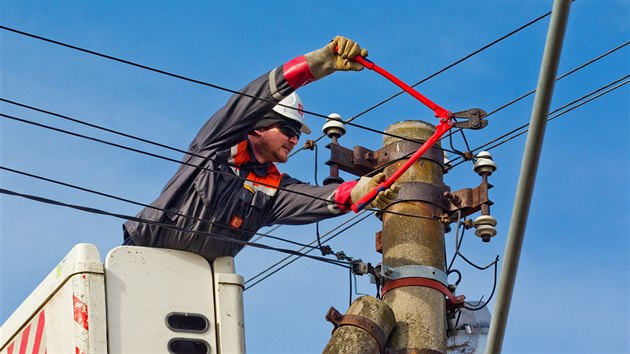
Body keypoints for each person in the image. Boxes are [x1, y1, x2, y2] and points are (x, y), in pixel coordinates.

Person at [122, 36, 399, 261]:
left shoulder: (272, 190)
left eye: (296, 135)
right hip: (144, 256)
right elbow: (258, 96)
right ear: (257, 128)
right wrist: (320, 63)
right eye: (288, 131)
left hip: (197, 280)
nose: (294, 140)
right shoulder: (216, 145)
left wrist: (363, 191)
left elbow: (317, 198)